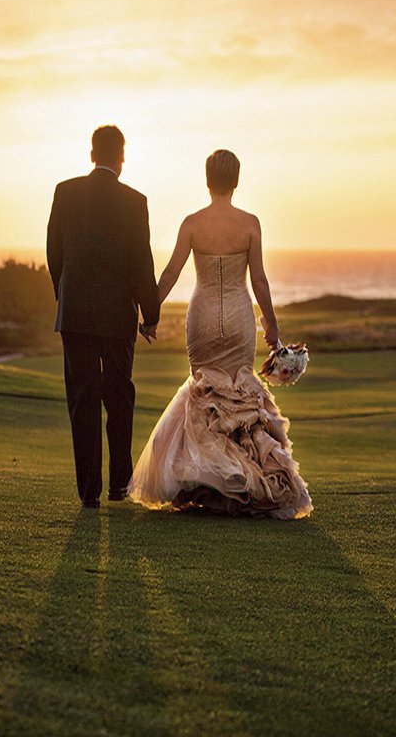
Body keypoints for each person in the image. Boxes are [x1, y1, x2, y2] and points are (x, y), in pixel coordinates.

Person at [127, 149, 312, 519]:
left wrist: (150, 314)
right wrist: (271, 325)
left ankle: (205, 482)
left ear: (208, 179)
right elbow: (259, 280)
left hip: (203, 318)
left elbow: (170, 273)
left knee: (205, 395)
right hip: (241, 318)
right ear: (236, 180)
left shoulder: (192, 223)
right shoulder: (250, 223)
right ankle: (243, 484)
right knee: (241, 396)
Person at [46, 125, 160, 508]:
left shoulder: (65, 192)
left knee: (83, 400)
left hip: (75, 314)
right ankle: (119, 484)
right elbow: (142, 263)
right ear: (122, 157)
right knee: (119, 398)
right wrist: (151, 314)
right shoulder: (135, 202)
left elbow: (53, 252)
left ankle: (89, 491)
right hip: (117, 317)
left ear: (92, 154)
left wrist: (64, 294)